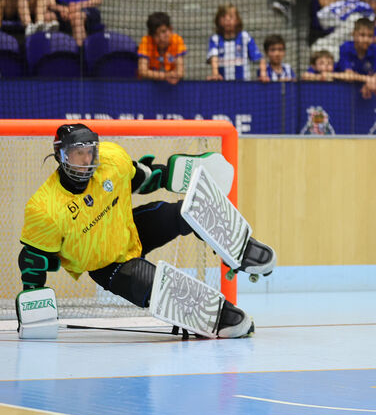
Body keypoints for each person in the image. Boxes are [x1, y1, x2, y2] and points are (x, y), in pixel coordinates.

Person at [18, 123, 261, 339]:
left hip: (129, 230)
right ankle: (222, 318)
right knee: (160, 286)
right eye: (77, 153)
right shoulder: (44, 207)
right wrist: (34, 303)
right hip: (108, 264)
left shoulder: (112, 161)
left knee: (183, 212)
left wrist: (168, 175)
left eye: (89, 152)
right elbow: (33, 260)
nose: (86, 160)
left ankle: (243, 249)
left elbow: (140, 179)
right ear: (61, 156)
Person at [206, 3, 261, 80]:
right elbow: (213, 57)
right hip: (222, 84)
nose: (227, 19)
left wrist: (263, 74)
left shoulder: (245, 37)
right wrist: (215, 74)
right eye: (223, 17)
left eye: (231, 17)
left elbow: (259, 59)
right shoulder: (215, 39)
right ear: (218, 20)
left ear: (237, 20)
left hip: (244, 85)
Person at [335, 17, 376, 97]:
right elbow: (348, 75)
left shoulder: (375, 49)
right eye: (362, 35)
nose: (366, 39)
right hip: (341, 91)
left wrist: (369, 83)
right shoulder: (345, 47)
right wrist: (368, 79)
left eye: (370, 36)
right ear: (353, 34)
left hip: (367, 90)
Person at [137, 11, 186, 84]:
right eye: (156, 34)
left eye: (163, 32)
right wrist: (166, 76)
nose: (161, 38)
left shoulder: (177, 40)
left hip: (171, 84)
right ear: (151, 36)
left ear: (170, 29)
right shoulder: (146, 41)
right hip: (149, 84)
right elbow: (142, 71)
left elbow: (180, 72)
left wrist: (172, 76)